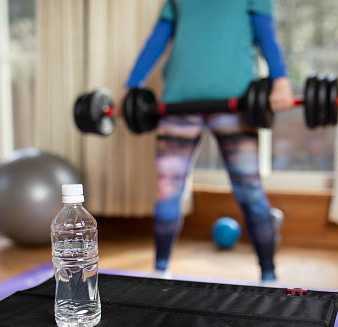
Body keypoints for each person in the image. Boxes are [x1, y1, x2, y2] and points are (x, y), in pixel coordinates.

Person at [118, 0, 294, 282]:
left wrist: (280, 79)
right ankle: (160, 271)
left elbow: (265, 33)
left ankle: (269, 275)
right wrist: (131, 86)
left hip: (235, 103)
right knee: (167, 189)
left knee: (248, 190)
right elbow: (159, 37)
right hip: (177, 103)